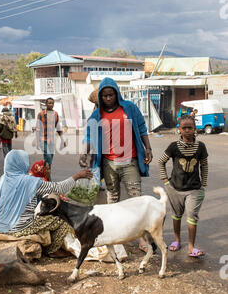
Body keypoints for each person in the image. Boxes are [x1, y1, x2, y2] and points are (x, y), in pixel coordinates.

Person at [79, 77, 153, 253]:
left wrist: (147, 148)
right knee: (113, 201)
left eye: (110, 95)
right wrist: (84, 152)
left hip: (130, 162)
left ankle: (143, 239)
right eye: (104, 96)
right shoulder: (97, 115)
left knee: (137, 199)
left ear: (117, 94)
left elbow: (142, 128)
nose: (108, 98)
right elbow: (89, 136)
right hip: (109, 163)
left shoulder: (130, 109)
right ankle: (115, 237)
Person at [0, 150, 92, 257]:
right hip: (18, 227)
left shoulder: (2, 179)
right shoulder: (29, 181)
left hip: (0, 225)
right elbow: (58, 188)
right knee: (62, 219)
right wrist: (77, 176)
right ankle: (52, 250)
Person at [159, 114, 208, 258]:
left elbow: (204, 166)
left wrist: (203, 185)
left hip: (194, 189)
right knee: (176, 215)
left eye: (190, 127)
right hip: (174, 188)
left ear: (195, 129)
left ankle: (191, 247)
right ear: (179, 129)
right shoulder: (174, 146)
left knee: (192, 215)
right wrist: (166, 181)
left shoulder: (201, 147)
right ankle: (177, 240)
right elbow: (161, 162)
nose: (187, 130)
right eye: (184, 128)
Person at [36, 98, 66, 180]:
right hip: (43, 139)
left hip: (52, 140)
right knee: (48, 156)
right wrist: (37, 141)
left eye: (52, 103)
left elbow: (59, 128)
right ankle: (48, 177)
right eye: (49, 103)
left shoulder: (55, 114)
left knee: (49, 160)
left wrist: (63, 140)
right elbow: (38, 128)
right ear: (46, 104)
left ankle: (45, 175)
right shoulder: (41, 114)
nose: (51, 104)